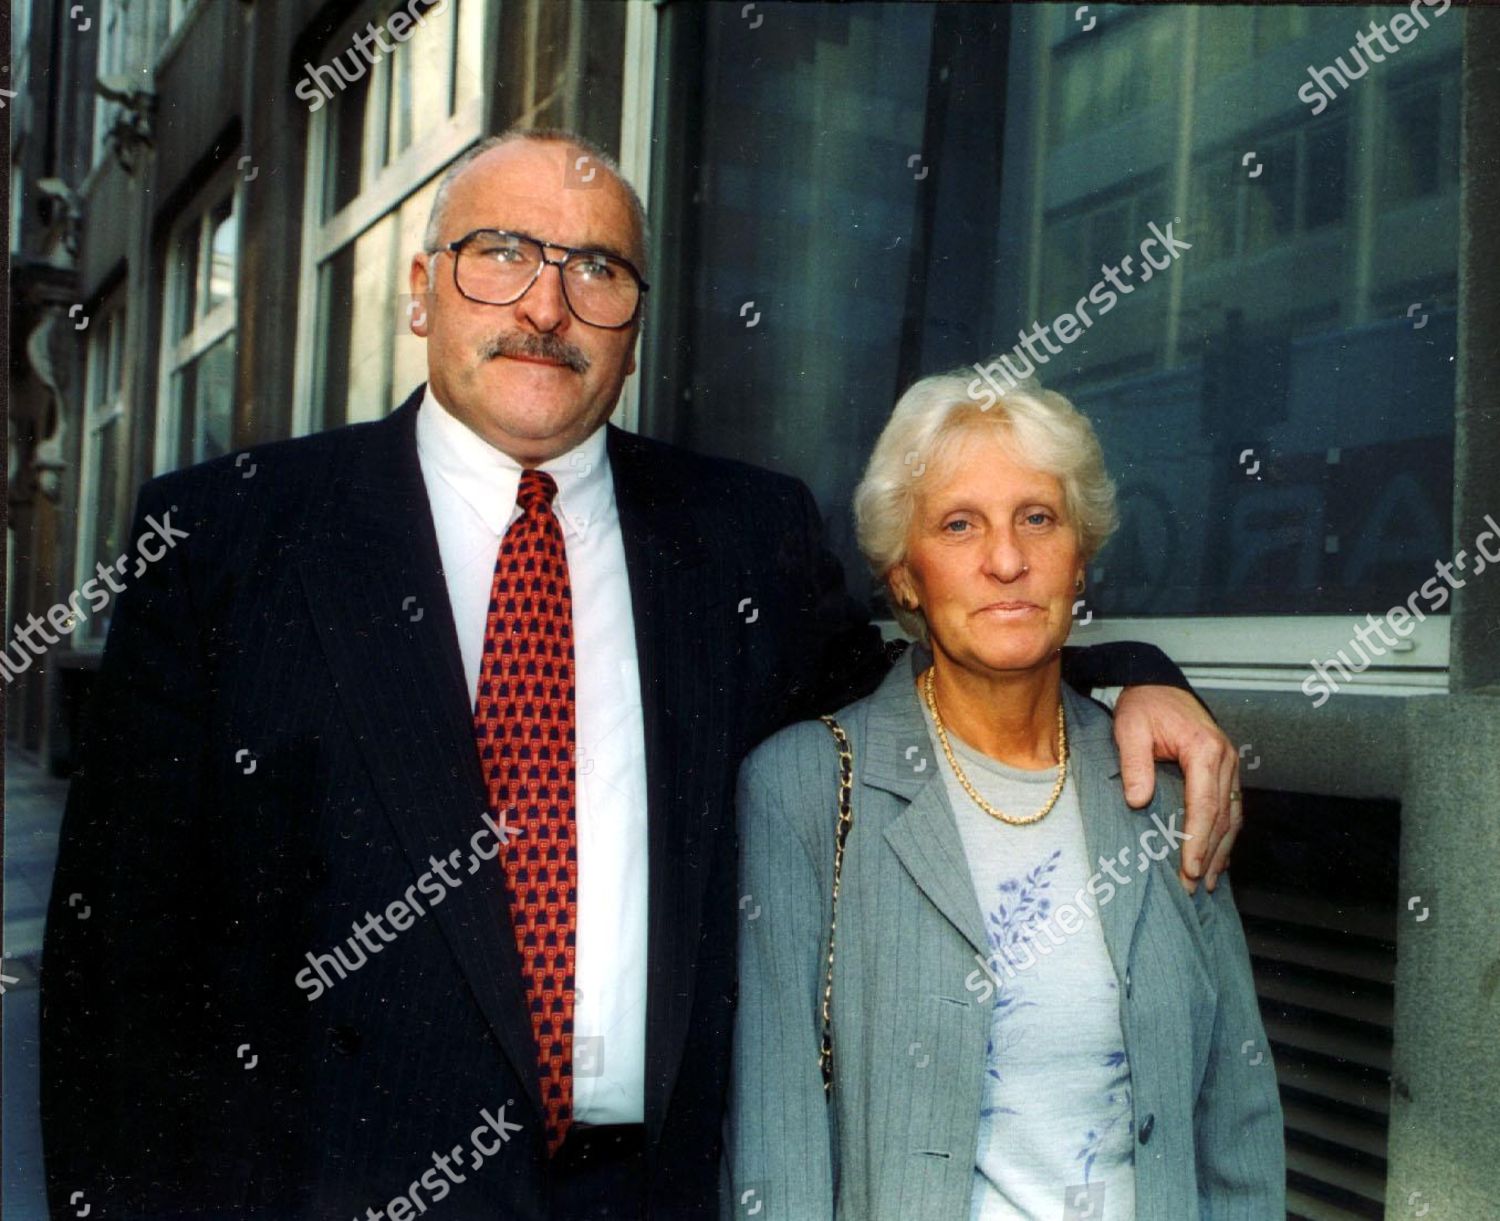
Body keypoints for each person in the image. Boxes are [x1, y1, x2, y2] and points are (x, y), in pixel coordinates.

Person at [41, 130, 1243, 1221]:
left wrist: (1128, 674)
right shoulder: (233, 540)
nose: (547, 305)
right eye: (500, 254)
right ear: (420, 291)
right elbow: (117, 979)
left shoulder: (740, 537)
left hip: (653, 1195)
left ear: (634, 320)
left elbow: (930, 670)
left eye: (597, 270)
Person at [727, 373, 1284, 1219]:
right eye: (959, 524)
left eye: (1038, 517)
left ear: (1081, 554)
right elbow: (778, 1143)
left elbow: (1237, 1121)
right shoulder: (806, 787)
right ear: (905, 577)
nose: (1007, 559)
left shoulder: (1163, 786)